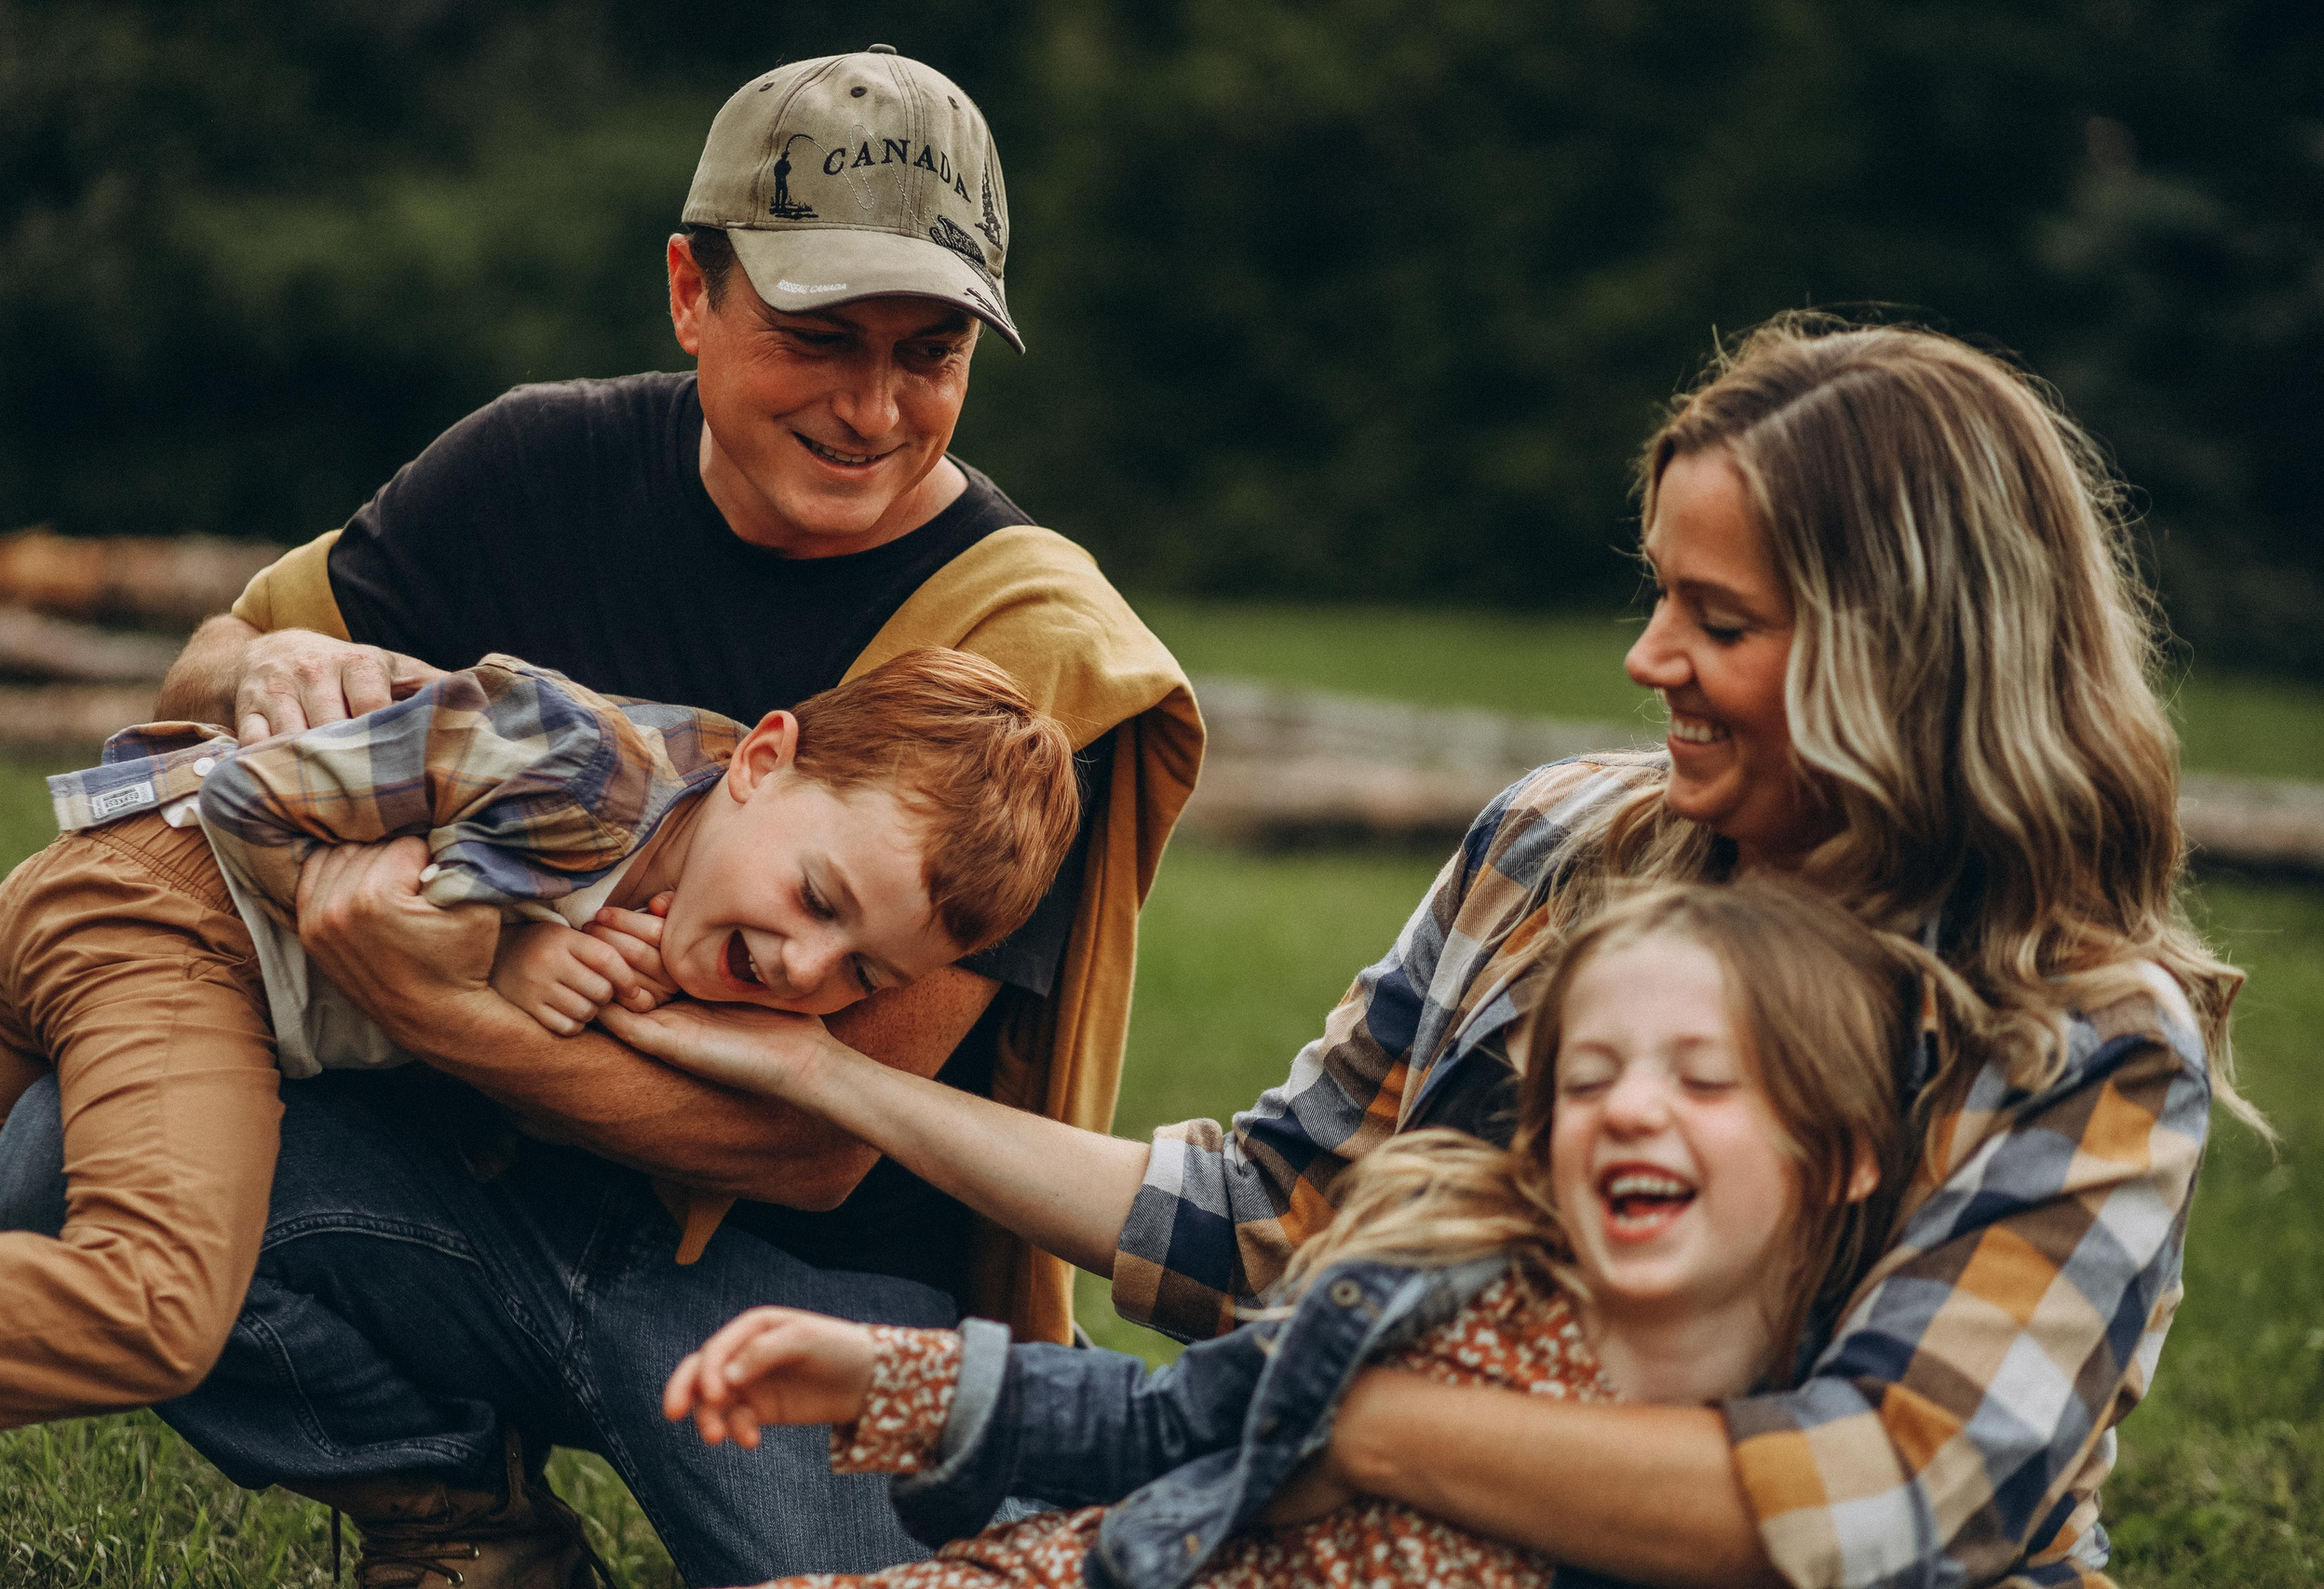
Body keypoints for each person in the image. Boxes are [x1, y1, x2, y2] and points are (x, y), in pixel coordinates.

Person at [601, 316, 2248, 1589]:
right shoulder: (1564, 843)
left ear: (1909, 661)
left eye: (1720, 623)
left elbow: (1879, 1497)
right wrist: (831, 1076)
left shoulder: (2081, 1032)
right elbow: (1273, 1218)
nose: (1646, 654)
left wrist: (1347, 1418)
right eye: (1659, 593)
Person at [0, 43, 1200, 1589]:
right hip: (466, 1196)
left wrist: (439, 1001)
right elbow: (212, 661)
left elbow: (809, 1136)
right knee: (62, 1156)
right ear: (692, 290)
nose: (878, 405)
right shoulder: (528, 463)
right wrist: (266, 659)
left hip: (805, 1292)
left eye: (933, 348)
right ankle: (458, 1512)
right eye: (821, 334)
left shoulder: (1027, 655)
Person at [0, 648, 1078, 1445]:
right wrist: (490, 940)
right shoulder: (579, 763)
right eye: (819, 899)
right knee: (155, 1308)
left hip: (157, 940)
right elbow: (250, 793)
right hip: (166, 916)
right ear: (761, 761)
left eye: (862, 976)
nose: (804, 970)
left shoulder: (688, 929)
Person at [656, 877, 1927, 1589]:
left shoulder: (1812, 1449)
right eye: (1589, 1081)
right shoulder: (1440, 1289)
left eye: (1705, 1080)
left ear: (1846, 1151)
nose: (1635, 1107)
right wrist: (899, 1378)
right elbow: (1168, 1423)